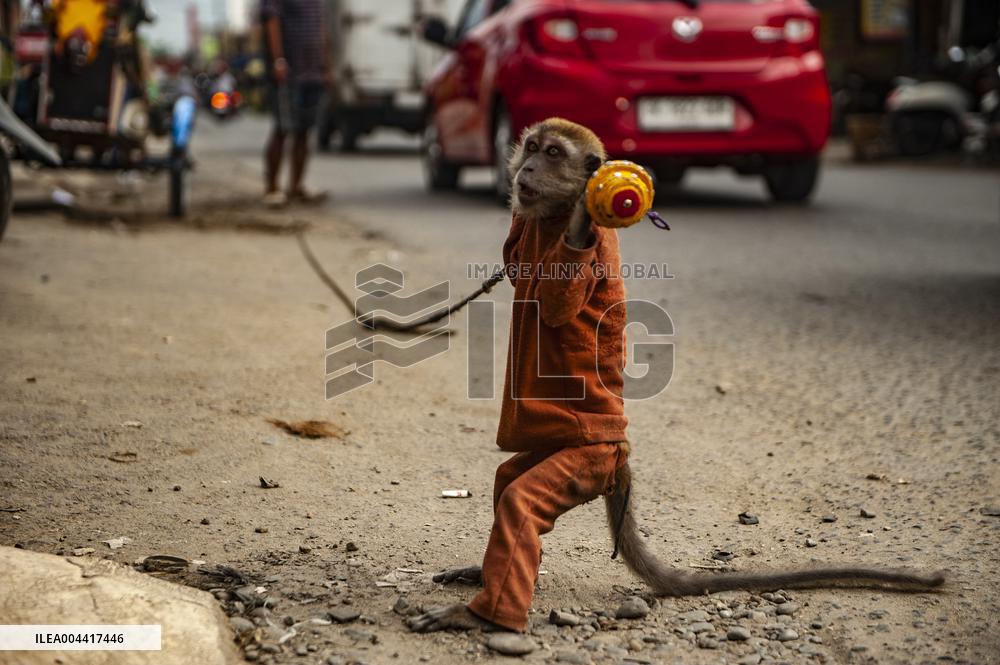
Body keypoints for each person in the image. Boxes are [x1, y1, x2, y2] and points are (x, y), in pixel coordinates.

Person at [259, 0, 331, 207]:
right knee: (282, 128)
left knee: (304, 131)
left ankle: (296, 187)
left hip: (313, 72)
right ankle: (272, 188)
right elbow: (271, 21)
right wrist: (278, 60)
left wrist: (325, 65)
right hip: (289, 73)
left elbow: (320, 27)